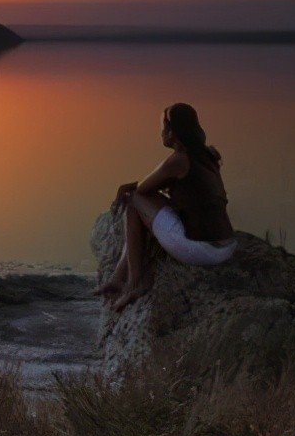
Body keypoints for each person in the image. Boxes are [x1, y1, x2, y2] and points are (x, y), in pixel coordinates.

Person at [96, 102, 237, 311]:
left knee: (134, 200)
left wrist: (127, 188)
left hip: (201, 250)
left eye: (163, 126)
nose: (161, 132)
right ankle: (119, 277)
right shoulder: (208, 156)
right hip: (226, 246)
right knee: (139, 199)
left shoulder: (179, 160)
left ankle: (135, 283)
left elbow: (142, 189)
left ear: (173, 131)